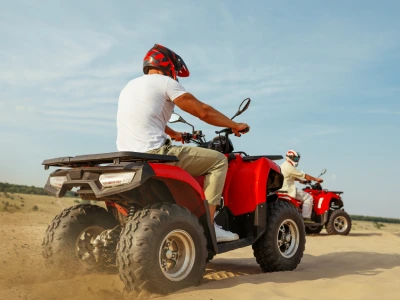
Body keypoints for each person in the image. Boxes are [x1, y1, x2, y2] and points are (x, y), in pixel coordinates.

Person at [116, 44, 250, 242]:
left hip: (128, 155)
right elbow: (202, 111)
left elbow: (146, 119)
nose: (175, 75)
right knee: (219, 161)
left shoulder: (130, 86)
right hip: (155, 153)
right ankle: (210, 225)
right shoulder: (165, 83)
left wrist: (174, 133)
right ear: (168, 65)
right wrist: (234, 124)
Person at [279, 150, 323, 223]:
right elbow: (304, 175)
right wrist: (316, 179)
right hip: (288, 190)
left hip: (282, 189)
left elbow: (290, 176)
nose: (296, 161)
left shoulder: (283, 165)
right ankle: (306, 218)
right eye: (296, 159)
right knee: (308, 197)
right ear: (290, 157)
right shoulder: (289, 167)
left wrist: (300, 180)